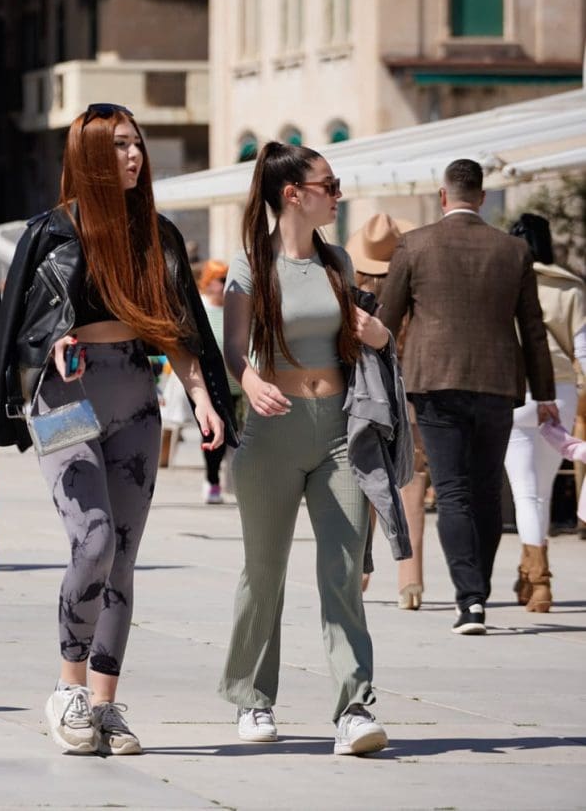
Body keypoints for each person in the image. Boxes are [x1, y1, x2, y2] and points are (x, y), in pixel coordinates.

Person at [0, 103, 236, 756]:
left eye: (137, 144)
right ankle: (67, 687)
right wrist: (51, 343)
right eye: (120, 145)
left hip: (133, 388)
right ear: (90, 156)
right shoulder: (49, 234)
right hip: (63, 395)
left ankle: (103, 704)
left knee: (122, 554)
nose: (134, 156)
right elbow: (18, 331)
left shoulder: (158, 236)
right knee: (93, 539)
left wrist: (203, 397)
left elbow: (179, 330)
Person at [219, 141, 392, 756]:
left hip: (340, 433)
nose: (338, 194)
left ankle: (354, 707)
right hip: (273, 432)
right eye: (330, 185)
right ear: (293, 195)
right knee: (264, 573)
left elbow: (364, 338)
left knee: (343, 572)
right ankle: (252, 698)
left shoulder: (337, 261)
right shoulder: (250, 264)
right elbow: (233, 347)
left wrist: (380, 333)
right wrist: (249, 381)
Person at [379, 160, 557, 635]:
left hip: (433, 382)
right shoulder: (514, 250)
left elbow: (387, 320)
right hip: (498, 383)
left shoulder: (415, 244)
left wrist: (374, 378)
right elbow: (533, 329)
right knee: (486, 491)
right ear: (482, 197)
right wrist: (544, 393)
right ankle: (478, 590)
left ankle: (470, 602)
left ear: (443, 197)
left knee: (453, 491)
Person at [345, 213, 431, 609]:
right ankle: (410, 581)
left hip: (367, 397)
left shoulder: (350, 296)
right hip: (409, 392)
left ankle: (361, 570)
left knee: (366, 476)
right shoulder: (414, 289)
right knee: (411, 480)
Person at [501, 213, 584, 612]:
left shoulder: (504, 281)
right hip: (561, 390)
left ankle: (538, 581)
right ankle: (529, 574)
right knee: (542, 491)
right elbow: (582, 349)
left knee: (525, 491)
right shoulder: (571, 288)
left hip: (514, 390)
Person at [196, 259, 240, 504]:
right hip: (210, 384)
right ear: (209, 282)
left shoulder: (235, 309)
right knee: (213, 434)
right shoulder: (200, 307)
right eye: (221, 279)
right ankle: (212, 480)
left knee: (237, 437)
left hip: (237, 384)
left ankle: (234, 483)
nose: (225, 285)